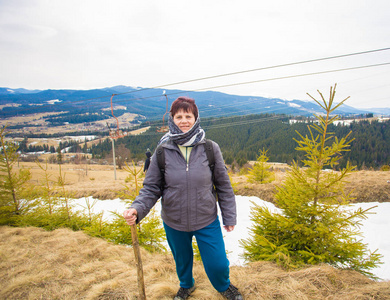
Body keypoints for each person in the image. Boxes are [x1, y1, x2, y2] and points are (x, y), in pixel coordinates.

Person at [123, 97, 243, 300]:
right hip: (174, 220)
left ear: (196, 118)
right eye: (179, 116)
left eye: (188, 116)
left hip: (206, 219)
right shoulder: (162, 151)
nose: (184, 120)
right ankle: (186, 285)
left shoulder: (210, 148)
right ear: (172, 119)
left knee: (218, 262)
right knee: (182, 259)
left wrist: (229, 216)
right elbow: (151, 188)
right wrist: (137, 209)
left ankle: (223, 286)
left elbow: (223, 186)